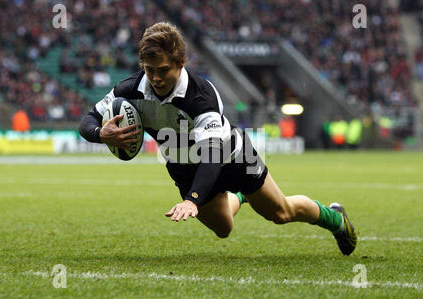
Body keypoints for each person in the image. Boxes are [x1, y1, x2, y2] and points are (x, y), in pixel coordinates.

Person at [79, 22, 357, 255]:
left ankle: (337, 220)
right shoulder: (129, 89)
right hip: (183, 164)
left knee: (280, 213)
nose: (156, 78)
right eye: (150, 70)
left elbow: (212, 156)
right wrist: (100, 134)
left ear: (181, 63)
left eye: (164, 70)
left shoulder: (201, 95)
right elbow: (88, 120)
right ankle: (239, 196)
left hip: (232, 156)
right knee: (224, 229)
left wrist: (192, 200)